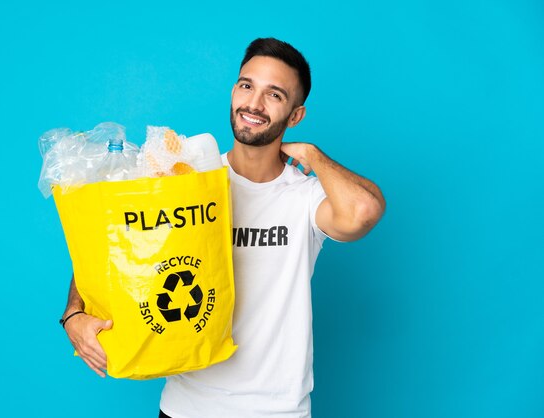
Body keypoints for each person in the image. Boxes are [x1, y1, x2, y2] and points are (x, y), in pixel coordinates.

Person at [60, 38, 386, 418]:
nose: (254, 104)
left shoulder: (305, 197)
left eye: (274, 95)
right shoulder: (188, 182)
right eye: (247, 86)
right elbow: (111, 248)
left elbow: (364, 210)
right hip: (186, 407)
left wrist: (313, 154)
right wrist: (74, 314)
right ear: (234, 91)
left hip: (277, 411)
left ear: (295, 116)